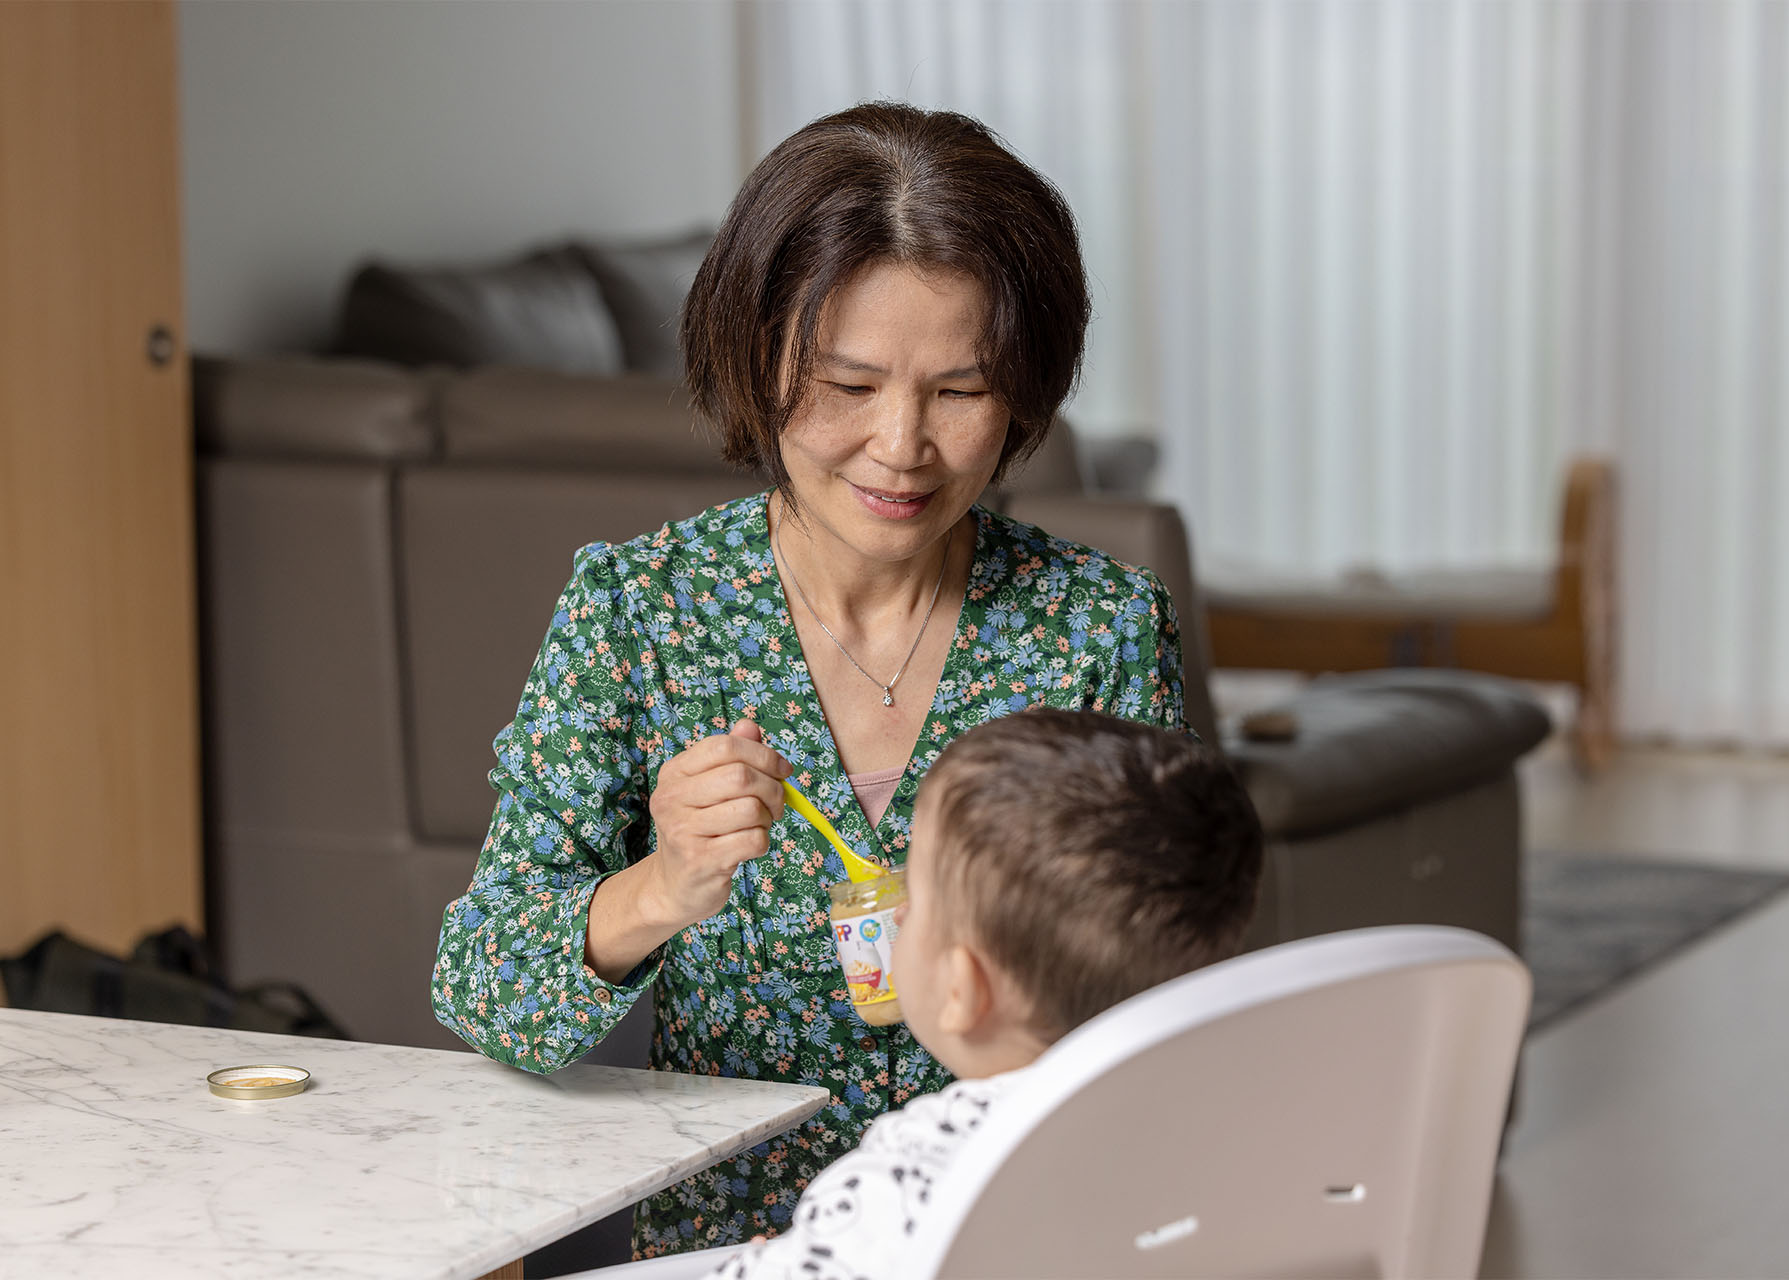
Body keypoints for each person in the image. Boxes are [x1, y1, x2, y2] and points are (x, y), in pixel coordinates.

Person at [431, 101, 1191, 1257]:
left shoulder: (1101, 627)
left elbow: (1166, 1005)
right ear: (756, 360)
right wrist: (662, 886)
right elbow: (486, 988)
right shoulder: (643, 612)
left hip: (1030, 1239)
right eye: (847, 385)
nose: (902, 446)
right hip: (744, 1246)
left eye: (961, 389)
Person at [707, 709, 1264, 1279]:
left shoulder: (908, 1177)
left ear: (961, 988)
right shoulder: (1227, 1135)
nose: (898, 912)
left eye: (915, 897)